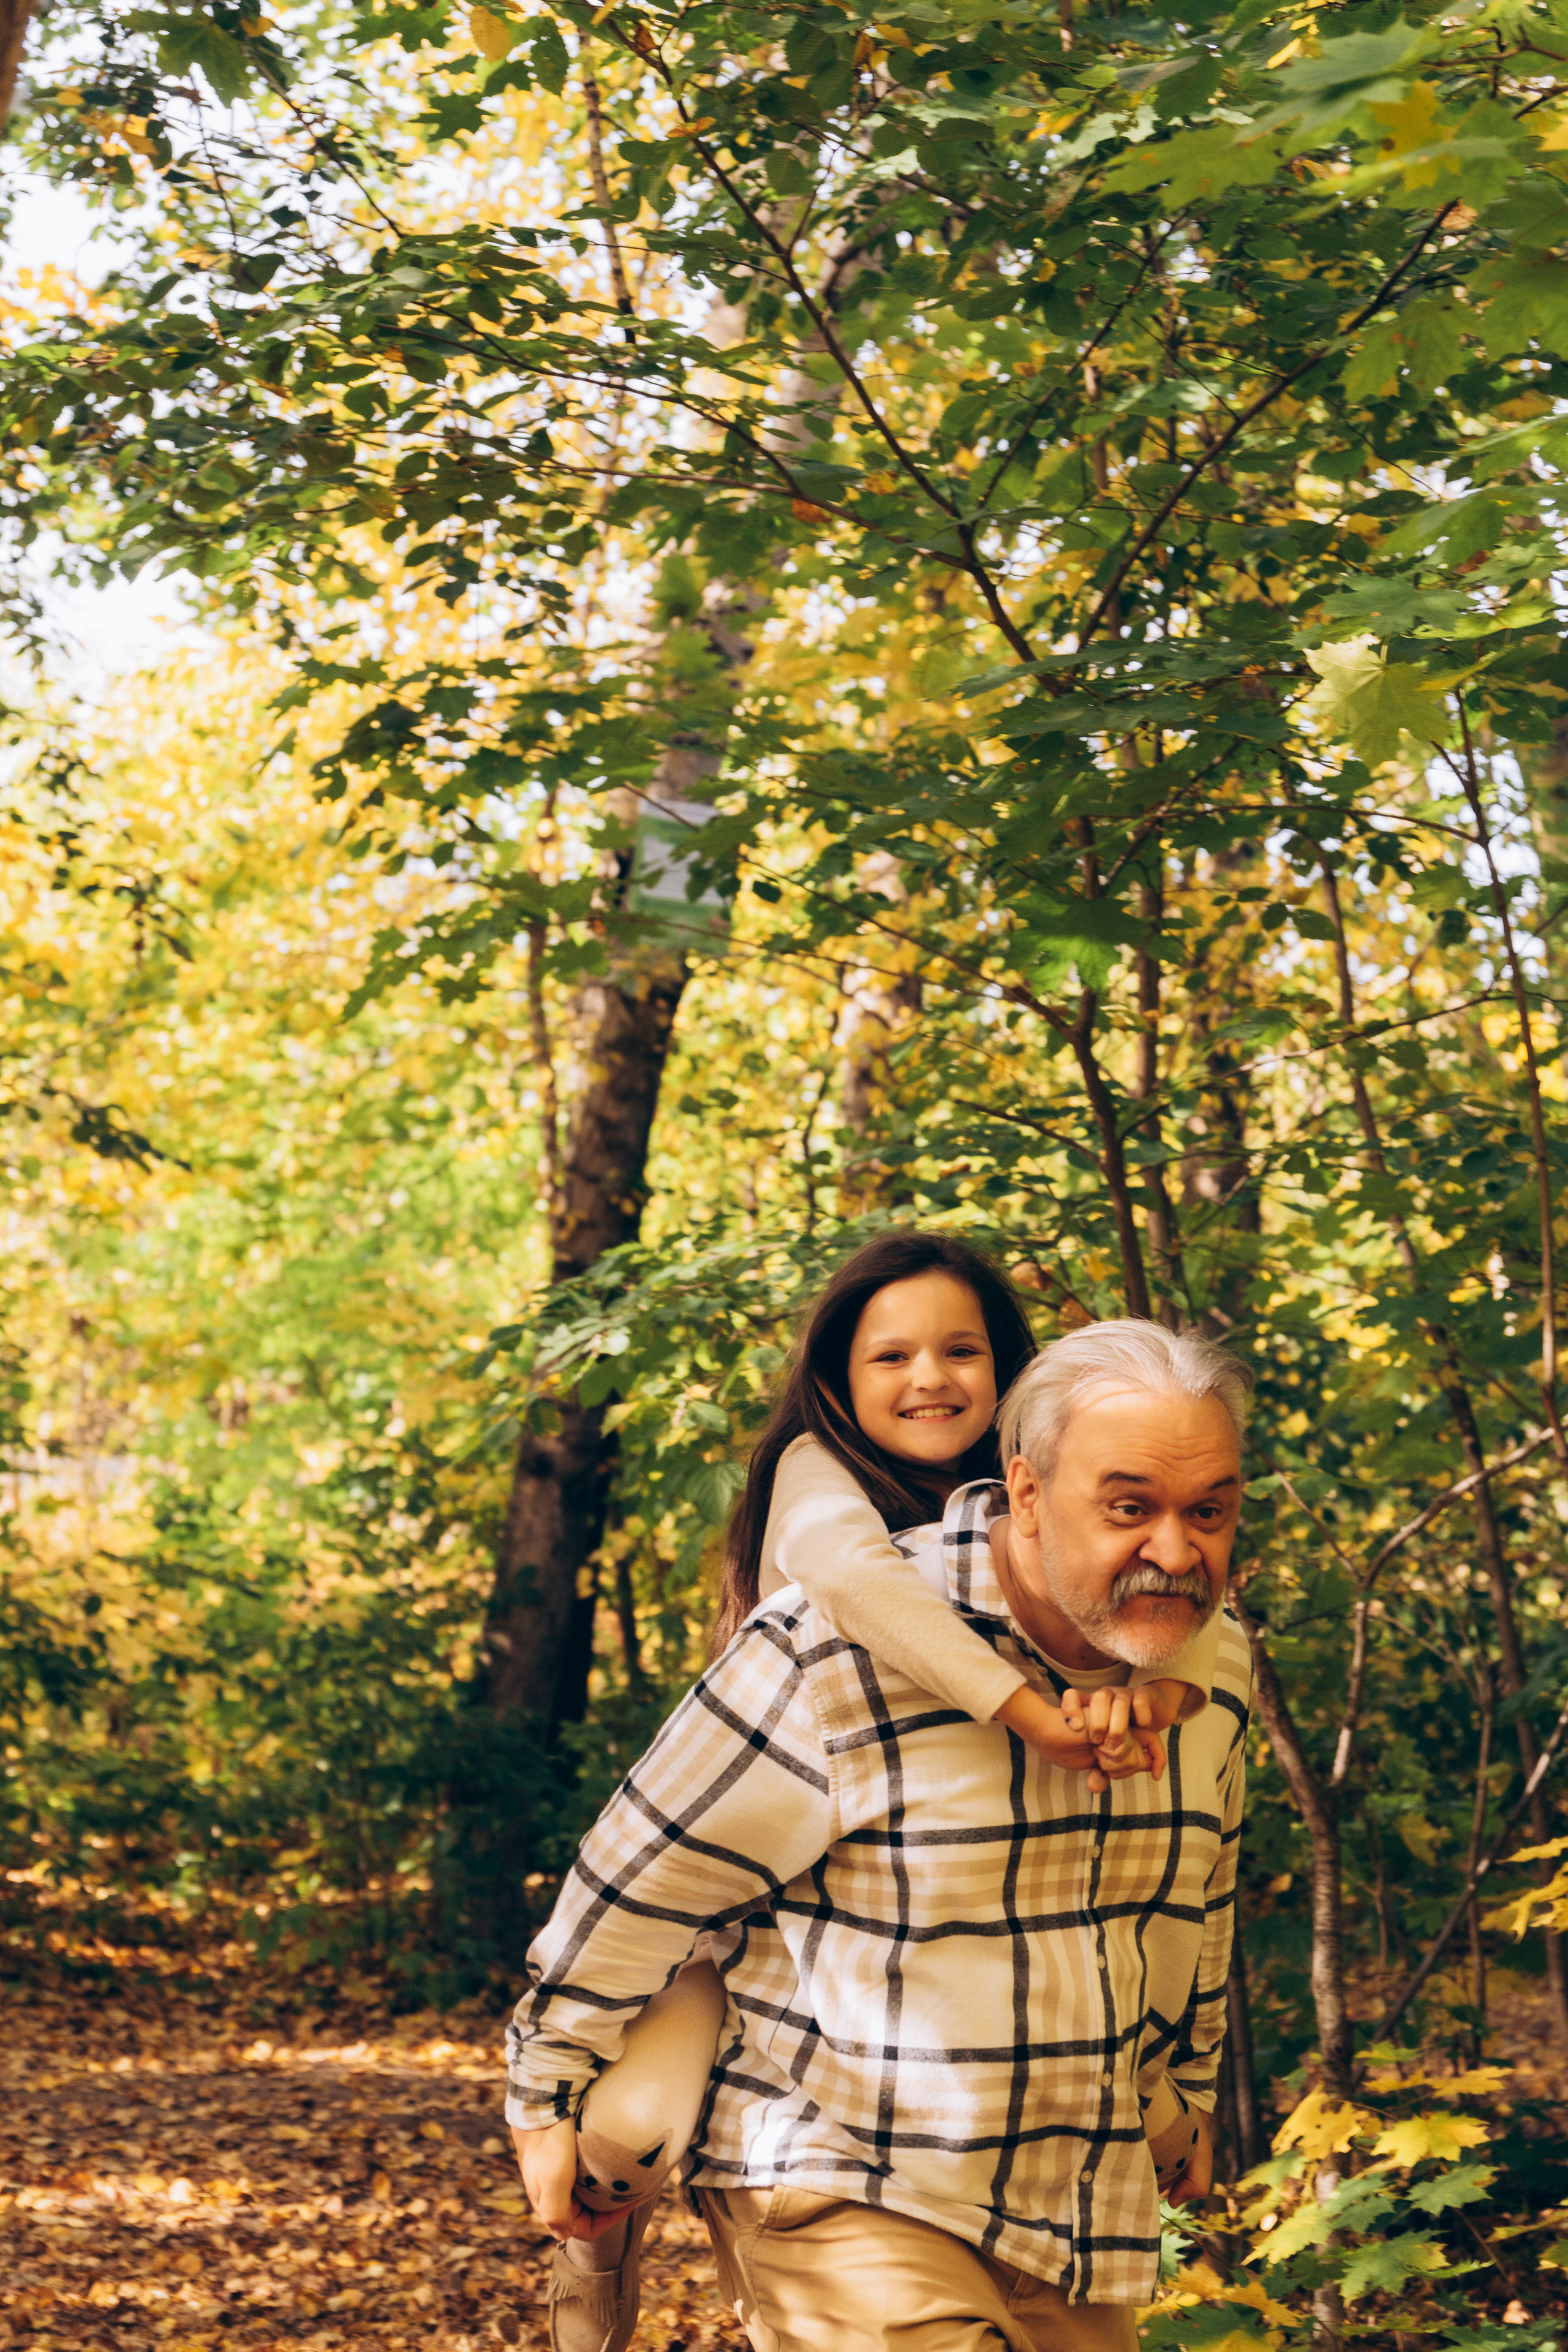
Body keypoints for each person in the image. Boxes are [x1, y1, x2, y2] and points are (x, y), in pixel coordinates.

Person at [508, 1308, 1254, 2351]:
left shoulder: (1210, 1669)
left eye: (1209, 1513)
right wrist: (546, 2094)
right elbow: (642, 1875)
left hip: (1072, 2197)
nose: (1174, 1552)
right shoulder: (828, 1655)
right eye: (1129, 1507)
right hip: (843, 2168)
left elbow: (1196, 1896)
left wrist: (1185, 2088)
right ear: (1028, 1493)